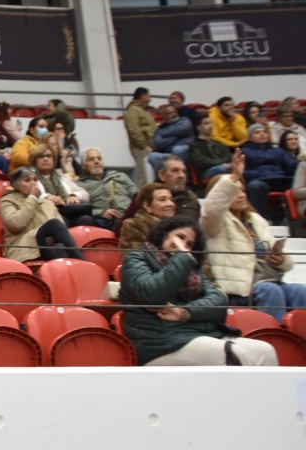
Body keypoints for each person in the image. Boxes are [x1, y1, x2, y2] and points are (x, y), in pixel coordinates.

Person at [119, 215, 276, 366]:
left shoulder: (191, 269)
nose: (183, 245)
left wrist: (184, 312)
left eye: (189, 244)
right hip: (158, 345)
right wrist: (182, 258)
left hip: (197, 335)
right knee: (232, 353)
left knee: (265, 351)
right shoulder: (138, 258)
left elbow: (219, 301)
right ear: (164, 235)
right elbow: (152, 294)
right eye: (180, 237)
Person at [202, 150, 306, 323]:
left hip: (268, 282)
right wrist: (233, 177)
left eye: (243, 190)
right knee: (270, 290)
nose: (241, 195)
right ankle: (273, 336)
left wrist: (280, 260)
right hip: (239, 290)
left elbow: (286, 262)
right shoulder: (214, 224)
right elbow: (212, 209)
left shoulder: (257, 220)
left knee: (299, 290)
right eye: (235, 191)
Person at [0, 166, 84, 263]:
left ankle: (72, 270)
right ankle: (82, 262)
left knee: (59, 248)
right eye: (27, 180)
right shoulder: (7, 201)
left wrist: (53, 237)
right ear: (16, 185)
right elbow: (15, 224)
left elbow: (61, 228)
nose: (33, 183)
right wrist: (32, 198)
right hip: (23, 247)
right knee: (54, 224)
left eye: (35, 180)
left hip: (45, 247)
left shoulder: (47, 203)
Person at [240, 123, 297, 221]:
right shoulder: (244, 151)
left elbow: (292, 165)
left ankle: (296, 220)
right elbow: (241, 171)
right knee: (255, 186)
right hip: (260, 179)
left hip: (280, 178)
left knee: (300, 185)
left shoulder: (278, 150)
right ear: (250, 137)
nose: (262, 134)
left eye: (264, 132)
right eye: (257, 132)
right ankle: (263, 220)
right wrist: (257, 174)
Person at [29, 142, 93, 227]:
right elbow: (29, 196)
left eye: (49, 156)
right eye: (41, 156)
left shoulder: (63, 177)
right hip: (46, 215)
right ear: (35, 161)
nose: (45, 159)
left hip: (69, 211)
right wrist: (47, 197)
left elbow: (85, 194)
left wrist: (74, 195)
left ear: (54, 160)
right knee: (61, 221)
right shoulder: (31, 178)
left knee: (86, 219)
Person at [76, 148, 138, 230]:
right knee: (85, 219)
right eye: (91, 159)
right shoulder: (80, 184)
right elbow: (80, 209)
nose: (97, 161)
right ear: (83, 165)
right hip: (102, 220)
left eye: (99, 158)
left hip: (128, 216)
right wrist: (100, 212)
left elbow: (137, 196)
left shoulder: (120, 176)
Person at [118, 183, 175, 251]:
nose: (170, 204)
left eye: (171, 199)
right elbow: (135, 256)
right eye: (162, 200)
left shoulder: (178, 227)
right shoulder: (134, 225)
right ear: (147, 206)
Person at [148, 104, 193, 174]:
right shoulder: (160, 129)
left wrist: (165, 134)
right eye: (170, 113)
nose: (174, 114)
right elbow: (159, 144)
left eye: (174, 112)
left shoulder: (184, 120)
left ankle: (183, 175)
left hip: (186, 151)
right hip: (170, 154)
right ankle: (163, 177)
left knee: (177, 150)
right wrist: (179, 135)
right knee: (152, 156)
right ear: (164, 116)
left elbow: (185, 128)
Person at [124, 87, 155, 186]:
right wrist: (143, 145)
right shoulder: (133, 110)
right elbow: (133, 130)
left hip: (146, 147)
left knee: (149, 175)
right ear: (142, 96)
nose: (150, 99)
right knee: (144, 177)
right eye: (148, 96)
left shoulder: (141, 110)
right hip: (141, 148)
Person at [188, 116, 232, 185]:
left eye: (211, 123)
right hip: (207, 171)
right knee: (221, 169)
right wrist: (220, 163)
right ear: (199, 127)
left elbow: (228, 156)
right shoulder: (194, 146)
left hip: (224, 167)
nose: (210, 125)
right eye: (206, 123)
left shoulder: (219, 143)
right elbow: (200, 161)